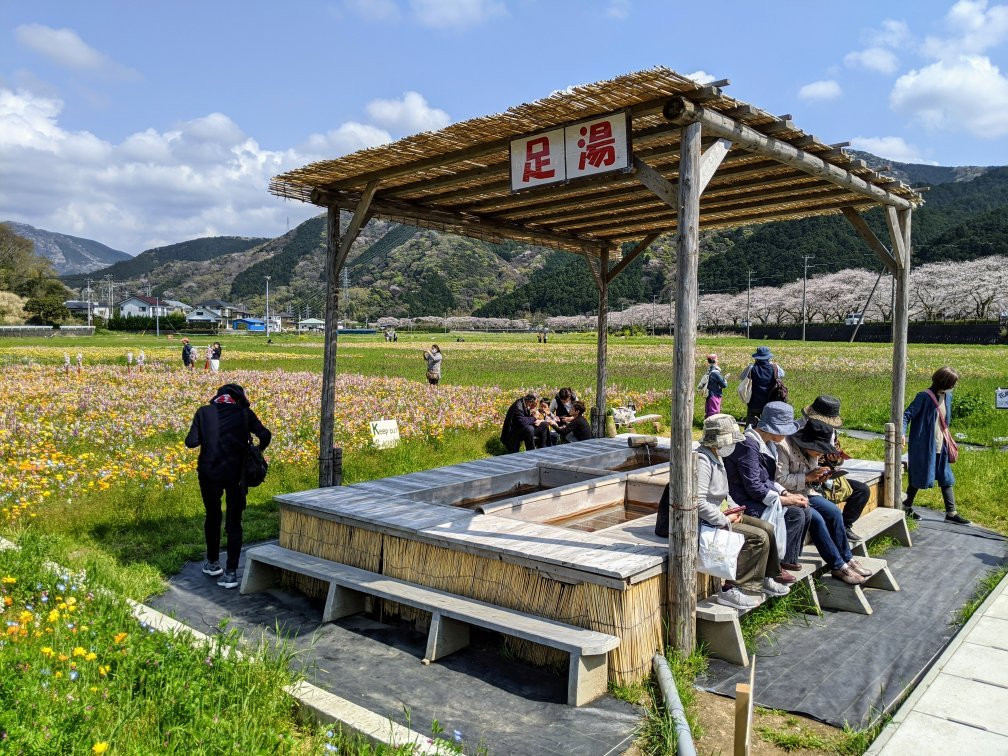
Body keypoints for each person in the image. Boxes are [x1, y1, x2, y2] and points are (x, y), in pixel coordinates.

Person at [656, 414, 792, 610]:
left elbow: (724, 492)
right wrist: (723, 518)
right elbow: (698, 502)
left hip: (722, 514)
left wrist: (733, 508)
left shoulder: (717, 456)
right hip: (704, 523)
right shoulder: (703, 461)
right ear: (721, 441)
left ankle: (766, 577)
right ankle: (733, 589)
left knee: (767, 528)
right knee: (758, 537)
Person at [185, 384, 272, 589]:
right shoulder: (243, 413)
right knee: (234, 522)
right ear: (238, 399)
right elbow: (265, 434)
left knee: (213, 516)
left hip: (209, 474)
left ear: (218, 396)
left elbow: (191, 442)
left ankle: (213, 563)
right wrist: (257, 450)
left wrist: (208, 435)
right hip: (236, 476)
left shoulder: (203, 412)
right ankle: (232, 573)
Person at [774, 415, 872, 585]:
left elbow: (810, 475)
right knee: (817, 519)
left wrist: (819, 475)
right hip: (788, 496)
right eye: (818, 450)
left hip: (807, 492)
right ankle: (837, 565)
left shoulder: (814, 452)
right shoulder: (783, 447)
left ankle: (847, 558)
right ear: (807, 443)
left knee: (834, 512)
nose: (820, 454)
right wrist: (807, 477)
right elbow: (779, 480)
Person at [723, 402, 806, 572]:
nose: (786, 434)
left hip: (755, 496)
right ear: (772, 429)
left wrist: (785, 492)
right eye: (784, 429)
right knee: (794, 513)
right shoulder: (748, 445)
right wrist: (784, 500)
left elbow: (765, 479)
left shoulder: (767, 444)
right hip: (742, 500)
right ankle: (772, 566)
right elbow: (753, 486)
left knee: (806, 510)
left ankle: (787, 558)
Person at [902, 366, 970, 525]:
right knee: (919, 475)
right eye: (953, 383)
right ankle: (906, 506)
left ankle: (951, 513)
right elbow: (906, 415)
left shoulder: (947, 397)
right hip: (924, 446)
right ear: (945, 382)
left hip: (942, 445)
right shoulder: (924, 397)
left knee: (946, 477)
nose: (954, 386)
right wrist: (902, 433)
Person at [799, 395, 870, 543]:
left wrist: (835, 460)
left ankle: (845, 526)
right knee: (824, 503)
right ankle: (829, 532)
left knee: (862, 490)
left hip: (825, 477)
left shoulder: (832, 433)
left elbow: (837, 457)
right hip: (806, 480)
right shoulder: (801, 430)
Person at [738, 346, 785, 426]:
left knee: (751, 426)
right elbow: (782, 375)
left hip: (754, 403)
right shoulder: (775, 367)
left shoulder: (751, 368)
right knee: (768, 426)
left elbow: (742, 377)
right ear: (768, 357)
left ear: (757, 357)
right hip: (770, 402)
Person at [697, 353, 729, 418]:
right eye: (717, 359)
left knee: (708, 412)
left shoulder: (709, 371)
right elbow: (724, 385)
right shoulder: (715, 373)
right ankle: (712, 427)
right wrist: (725, 379)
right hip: (715, 395)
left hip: (709, 395)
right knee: (714, 413)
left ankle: (706, 426)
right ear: (715, 360)